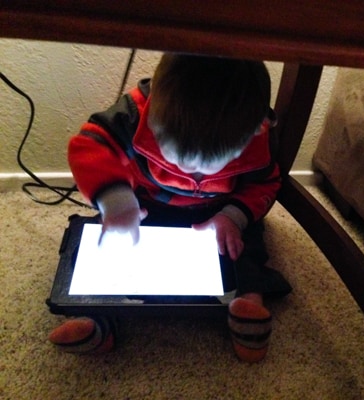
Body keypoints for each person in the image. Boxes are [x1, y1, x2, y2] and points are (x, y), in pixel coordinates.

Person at [48, 53, 292, 363]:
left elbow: (265, 185)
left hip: (219, 214)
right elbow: (90, 146)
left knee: (245, 249)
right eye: (178, 158)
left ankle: (248, 304)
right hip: (145, 209)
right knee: (111, 250)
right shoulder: (132, 115)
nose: (194, 174)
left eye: (211, 166)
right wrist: (116, 200)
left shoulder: (259, 134)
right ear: (152, 117)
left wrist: (233, 216)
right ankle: (98, 319)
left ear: (256, 130)